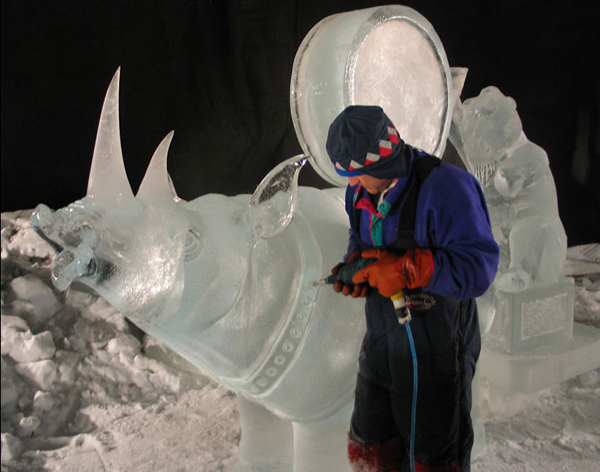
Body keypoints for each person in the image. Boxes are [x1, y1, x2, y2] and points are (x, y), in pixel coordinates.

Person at [326, 105, 499, 472]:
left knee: (432, 456)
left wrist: (408, 269)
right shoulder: (358, 194)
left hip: (438, 347)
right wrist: (356, 264)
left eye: (357, 175)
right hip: (382, 342)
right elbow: (359, 235)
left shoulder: (448, 189)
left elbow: (479, 268)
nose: (352, 186)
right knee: (371, 448)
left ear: (382, 163)